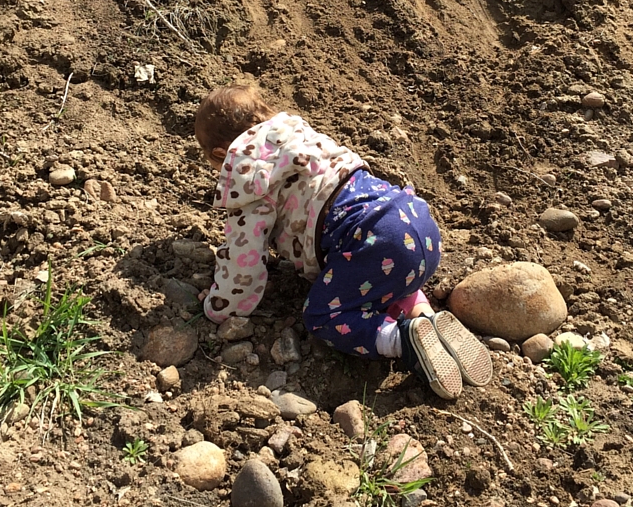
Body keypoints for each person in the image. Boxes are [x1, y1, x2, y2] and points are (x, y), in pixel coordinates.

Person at [194, 85, 493, 400]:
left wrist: (221, 306)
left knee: (323, 315)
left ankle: (402, 339)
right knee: (381, 272)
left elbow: (243, 261)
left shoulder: (249, 177)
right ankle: (424, 316)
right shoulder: (299, 135)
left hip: (372, 241)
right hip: (415, 224)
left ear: (218, 154)